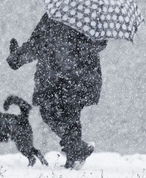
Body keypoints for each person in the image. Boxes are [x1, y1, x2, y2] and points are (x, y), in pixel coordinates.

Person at [7, 13, 106, 168]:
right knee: (71, 117)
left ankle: (77, 149)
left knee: (51, 113)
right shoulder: (91, 20)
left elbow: (37, 43)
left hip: (56, 78)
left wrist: (17, 58)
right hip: (80, 78)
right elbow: (99, 44)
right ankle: (75, 155)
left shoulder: (55, 15)